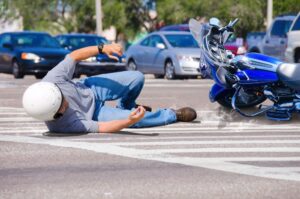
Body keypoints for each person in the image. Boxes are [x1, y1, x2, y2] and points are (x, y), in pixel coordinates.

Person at [22, 43, 197, 134]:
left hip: (91, 88)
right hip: (95, 114)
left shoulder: (52, 79)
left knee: (137, 77)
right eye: (60, 111)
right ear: (52, 117)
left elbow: (74, 56)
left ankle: (126, 105)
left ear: (56, 91)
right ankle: (173, 115)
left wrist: (102, 48)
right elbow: (103, 127)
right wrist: (128, 121)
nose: (65, 106)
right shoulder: (62, 126)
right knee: (138, 120)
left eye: (62, 100)